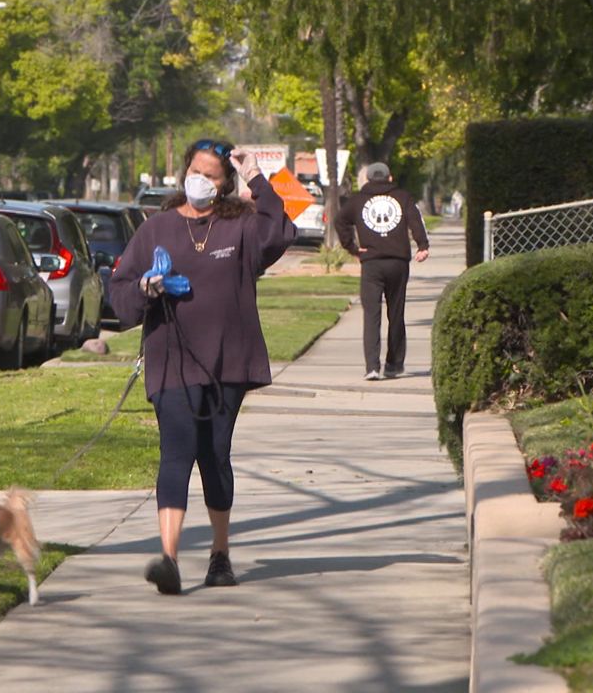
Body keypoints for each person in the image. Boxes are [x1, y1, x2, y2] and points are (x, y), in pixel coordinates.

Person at [111, 139, 296, 595]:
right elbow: (119, 293)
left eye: (212, 174)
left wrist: (256, 175)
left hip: (227, 362)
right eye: (196, 170)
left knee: (215, 455)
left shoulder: (243, 227)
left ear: (225, 183)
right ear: (183, 173)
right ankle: (169, 559)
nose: (201, 179)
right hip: (171, 359)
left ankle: (220, 554)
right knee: (177, 450)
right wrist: (146, 289)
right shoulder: (156, 229)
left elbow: (281, 232)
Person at [335, 162, 430, 381]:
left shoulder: (358, 200)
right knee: (396, 314)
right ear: (390, 178)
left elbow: (340, 220)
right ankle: (394, 365)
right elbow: (415, 220)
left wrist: (352, 248)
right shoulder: (402, 197)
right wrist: (422, 245)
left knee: (372, 315)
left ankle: (372, 367)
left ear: (367, 179)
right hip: (398, 263)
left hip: (371, 264)